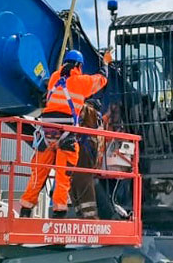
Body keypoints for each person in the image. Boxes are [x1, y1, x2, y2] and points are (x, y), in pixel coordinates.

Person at [19, 48, 111, 217]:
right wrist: (105, 62)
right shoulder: (82, 82)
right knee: (63, 175)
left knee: (38, 175)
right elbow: (102, 79)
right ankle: (59, 213)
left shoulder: (54, 78)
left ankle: (25, 210)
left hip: (46, 133)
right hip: (66, 134)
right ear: (79, 65)